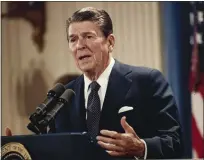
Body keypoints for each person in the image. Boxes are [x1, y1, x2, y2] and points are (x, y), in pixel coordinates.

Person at [6, 7, 183, 159]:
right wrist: (21, 151)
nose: (80, 45)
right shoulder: (64, 96)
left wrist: (141, 147)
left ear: (110, 42)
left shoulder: (147, 81)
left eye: (88, 36)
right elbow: (55, 150)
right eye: (73, 39)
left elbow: (175, 142)